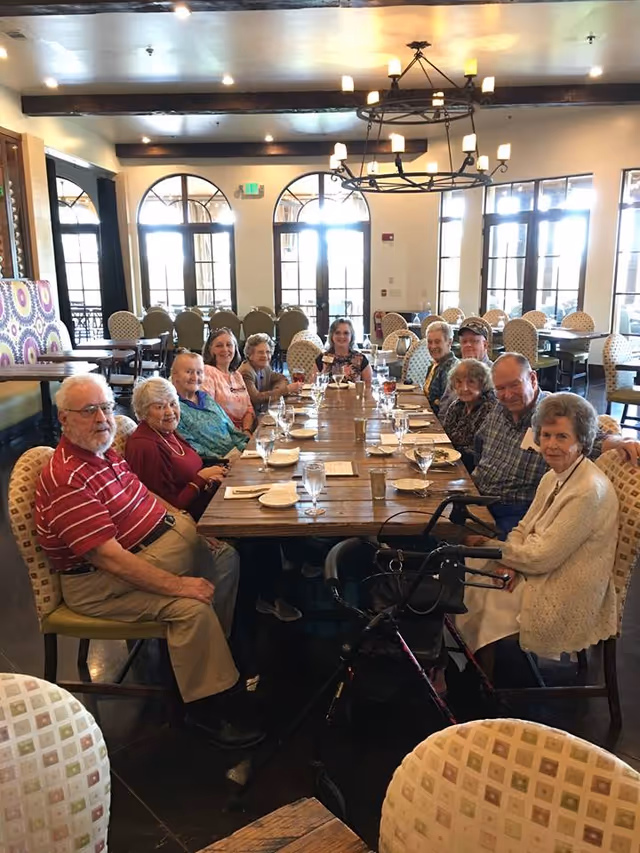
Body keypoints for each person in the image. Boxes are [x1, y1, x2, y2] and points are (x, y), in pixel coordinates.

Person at [34, 373, 263, 749]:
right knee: (191, 608)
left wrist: (182, 520)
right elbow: (108, 559)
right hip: (98, 583)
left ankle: (209, 659)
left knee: (227, 560)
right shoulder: (67, 478)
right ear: (63, 419)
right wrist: (179, 584)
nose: (102, 419)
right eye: (89, 411)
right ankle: (205, 711)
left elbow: (146, 497)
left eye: (106, 408)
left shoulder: (104, 454)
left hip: (147, 551)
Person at [457, 393, 619, 662]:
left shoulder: (588, 491)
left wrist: (493, 548)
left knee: (482, 590)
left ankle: (483, 684)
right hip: (544, 565)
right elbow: (524, 528)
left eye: (562, 437)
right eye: (545, 435)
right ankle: (470, 667)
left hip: (567, 586)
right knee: (466, 572)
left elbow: (542, 558)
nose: (551, 445)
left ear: (581, 441)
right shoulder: (553, 476)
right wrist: (509, 560)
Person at [473, 352, 640, 537]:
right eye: (500, 388)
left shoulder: (552, 412)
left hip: (516, 513)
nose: (508, 394)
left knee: (452, 541)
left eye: (514, 384)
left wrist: (620, 441)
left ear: (532, 378)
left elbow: (589, 439)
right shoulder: (499, 407)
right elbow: (479, 445)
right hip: (476, 494)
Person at [126, 377, 228, 521]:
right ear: (144, 412)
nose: (170, 412)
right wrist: (202, 478)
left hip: (207, 502)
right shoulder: (145, 446)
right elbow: (166, 507)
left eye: (173, 404)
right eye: (160, 407)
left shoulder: (167, 431)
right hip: (192, 520)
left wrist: (211, 476)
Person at [171, 351, 249, 460]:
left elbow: (231, 429)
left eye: (199, 372)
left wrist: (246, 447)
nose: (195, 377)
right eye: (189, 372)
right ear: (175, 375)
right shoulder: (173, 408)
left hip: (236, 455)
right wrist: (224, 460)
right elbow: (191, 447)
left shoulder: (205, 398)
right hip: (215, 465)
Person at [441, 359, 497, 470]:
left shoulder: (490, 408)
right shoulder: (457, 405)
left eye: (471, 382)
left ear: (483, 384)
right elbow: (445, 437)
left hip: (470, 469)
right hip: (450, 463)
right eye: (459, 382)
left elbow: (477, 453)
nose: (464, 388)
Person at [202, 327, 255, 433]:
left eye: (229, 345)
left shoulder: (236, 375)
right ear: (210, 349)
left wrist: (246, 430)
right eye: (219, 346)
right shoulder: (207, 372)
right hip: (223, 435)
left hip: (243, 433)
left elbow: (249, 409)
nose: (225, 349)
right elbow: (209, 413)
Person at [239, 333, 302, 413]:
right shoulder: (246, 372)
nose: (265, 356)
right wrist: (286, 390)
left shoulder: (265, 367)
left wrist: (276, 392)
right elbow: (256, 398)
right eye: (260, 352)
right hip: (250, 418)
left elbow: (282, 378)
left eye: (268, 352)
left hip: (264, 413)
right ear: (250, 355)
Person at [314, 317, 372, 382]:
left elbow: (368, 387)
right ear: (332, 335)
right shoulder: (322, 358)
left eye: (346, 333)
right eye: (337, 333)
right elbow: (312, 386)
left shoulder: (360, 359)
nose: (342, 336)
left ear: (351, 336)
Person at [423, 321, 459, 416]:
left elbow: (445, 408)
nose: (433, 346)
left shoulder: (450, 370)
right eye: (430, 342)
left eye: (437, 342)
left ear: (449, 342)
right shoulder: (435, 365)